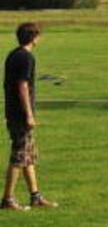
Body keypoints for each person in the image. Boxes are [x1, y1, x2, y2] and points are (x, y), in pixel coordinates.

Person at [2, 23, 58, 211]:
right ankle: (8, 199)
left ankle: (36, 196)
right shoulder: (26, 58)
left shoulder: (13, 55)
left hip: (13, 112)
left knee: (28, 156)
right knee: (19, 156)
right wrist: (28, 114)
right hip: (20, 114)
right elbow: (22, 86)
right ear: (34, 37)